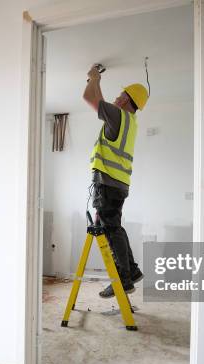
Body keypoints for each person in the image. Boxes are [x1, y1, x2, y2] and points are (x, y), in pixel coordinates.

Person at [83, 64, 149, 298]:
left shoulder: (117, 115)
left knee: (110, 229)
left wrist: (94, 78)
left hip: (108, 184)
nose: (116, 97)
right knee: (115, 227)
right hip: (119, 184)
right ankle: (131, 270)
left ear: (126, 100)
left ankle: (123, 280)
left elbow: (88, 97)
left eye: (120, 94)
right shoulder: (131, 124)